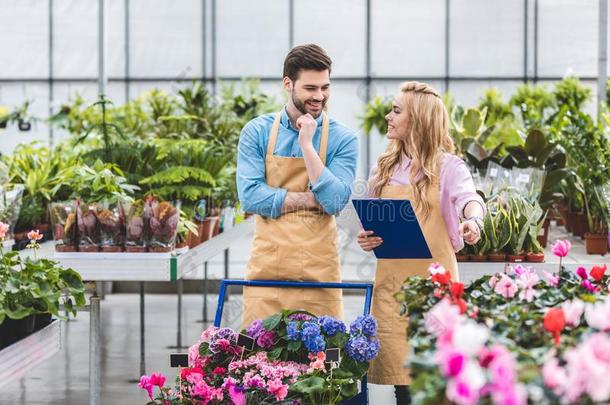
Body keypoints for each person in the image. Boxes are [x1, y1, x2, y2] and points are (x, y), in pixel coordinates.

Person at [356, 82, 485, 404]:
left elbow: (469, 199)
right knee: (403, 381)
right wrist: (367, 237)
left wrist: (473, 220)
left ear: (419, 120)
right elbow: (371, 221)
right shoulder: (383, 169)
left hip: (435, 289)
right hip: (392, 287)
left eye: (397, 111)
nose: (388, 116)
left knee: (433, 378)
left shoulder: (449, 167)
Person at [237, 44, 358, 327]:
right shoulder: (257, 132)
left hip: (319, 276)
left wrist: (307, 145)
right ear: (288, 84)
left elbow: (336, 202)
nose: (319, 97)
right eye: (310, 88)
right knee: (258, 360)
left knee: (324, 365)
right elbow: (250, 196)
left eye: (325, 88)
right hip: (267, 273)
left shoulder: (343, 138)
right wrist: (309, 199)